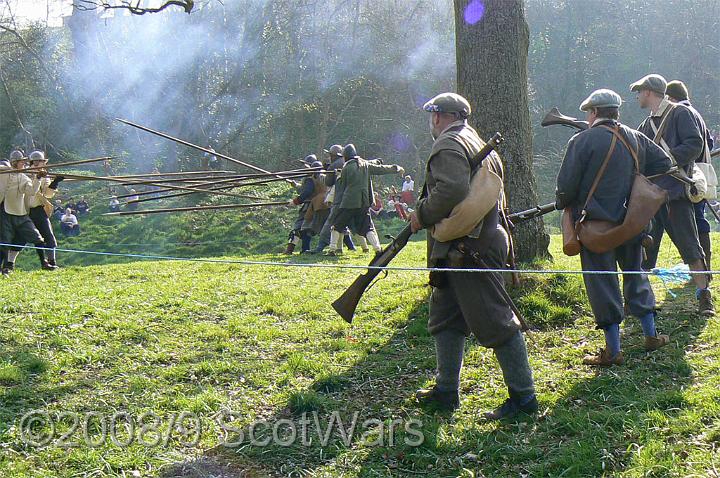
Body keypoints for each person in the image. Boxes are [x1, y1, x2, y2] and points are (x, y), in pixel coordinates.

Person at [408, 92, 536, 420]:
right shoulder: (473, 141)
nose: (431, 122)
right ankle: (446, 390)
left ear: (438, 116)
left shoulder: (449, 144)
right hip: (466, 246)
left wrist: (421, 212)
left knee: (495, 322)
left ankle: (524, 400)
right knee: (445, 318)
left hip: (469, 249)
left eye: (431, 116)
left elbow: (450, 190)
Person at [556, 88, 674, 366]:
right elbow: (665, 162)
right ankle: (651, 335)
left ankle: (613, 350)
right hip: (631, 223)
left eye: (588, 112)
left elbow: (565, 188)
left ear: (594, 112)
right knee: (636, 276)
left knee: (602, 284)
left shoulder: (582, 140)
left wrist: (567, 203)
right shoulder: (635, 137)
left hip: (595, 227)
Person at [631, 74, 714, 316]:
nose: (637, 96)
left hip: (676, 192)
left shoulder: (680, 113)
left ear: (649, 92)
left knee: (690, 247)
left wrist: (665, 161)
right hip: (652, 197)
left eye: (640, 92)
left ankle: (704, 297)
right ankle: (640, 302)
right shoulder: (646, 126)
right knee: (646, 249)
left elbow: (694, 143)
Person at [665, 80, 715, 274]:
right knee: (698, 218)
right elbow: (708, 144)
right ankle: (703, 268)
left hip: (690, 174)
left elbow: (696, 144)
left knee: (695, 220)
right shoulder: (695, 113)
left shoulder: (680, 113)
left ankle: (702, 269)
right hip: (700, 172)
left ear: (669, 97)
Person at [327, 144, 404, 255]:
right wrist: (396, 168)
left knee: (337, 225)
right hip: (364, 202)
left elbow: (342, 184)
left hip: (349, 202)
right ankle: (377, 249)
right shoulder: (365, 164)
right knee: (368, 227)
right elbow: (381, 169)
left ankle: (332, 249)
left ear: (346, 156)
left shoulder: (346, 168)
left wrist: (339, 175)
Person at [0, 150, 56, 274]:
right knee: (6, 241)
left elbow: (32, 191)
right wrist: (7, 167)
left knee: (38, 238)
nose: (24, 164)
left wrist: (38, 178)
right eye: (22, 162)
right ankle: (5, 268)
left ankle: (45, 263)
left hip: (21, 213)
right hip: (5, 211)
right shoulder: (4, 172)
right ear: (14, 162)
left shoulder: (25, 177)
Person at [309, 144, 356, 254]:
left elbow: (328, 182)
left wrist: (322, 174)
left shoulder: (334, 165)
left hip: (339, 198)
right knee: (345, 223)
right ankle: (352, 246)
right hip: (353, 198)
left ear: (334, 155)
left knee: (330, 222)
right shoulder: (348, 163)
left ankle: (320, 247)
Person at [26, 150, 63, 268]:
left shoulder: (45, 175)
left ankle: (51, 262)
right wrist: (36, 177)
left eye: (40, 161)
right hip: (24, 210)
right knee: (19, 239)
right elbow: (31, 191)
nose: (38, 163)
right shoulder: (24, 174)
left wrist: (55, 182)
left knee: (48, 236)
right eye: (36, 161)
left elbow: (47, 194)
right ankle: (8, 265)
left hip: (38, 210)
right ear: (32, 162)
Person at [284, 156, 326, 254]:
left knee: (299, 228)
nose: (305, 167)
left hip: (310, 206)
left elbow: (307, 192)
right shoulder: (323, 176)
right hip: (323, 205)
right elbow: (308, 189)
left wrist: (295, 201)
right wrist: (296, 186)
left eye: (306, 165)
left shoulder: (310, 178)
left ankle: (296, 250)